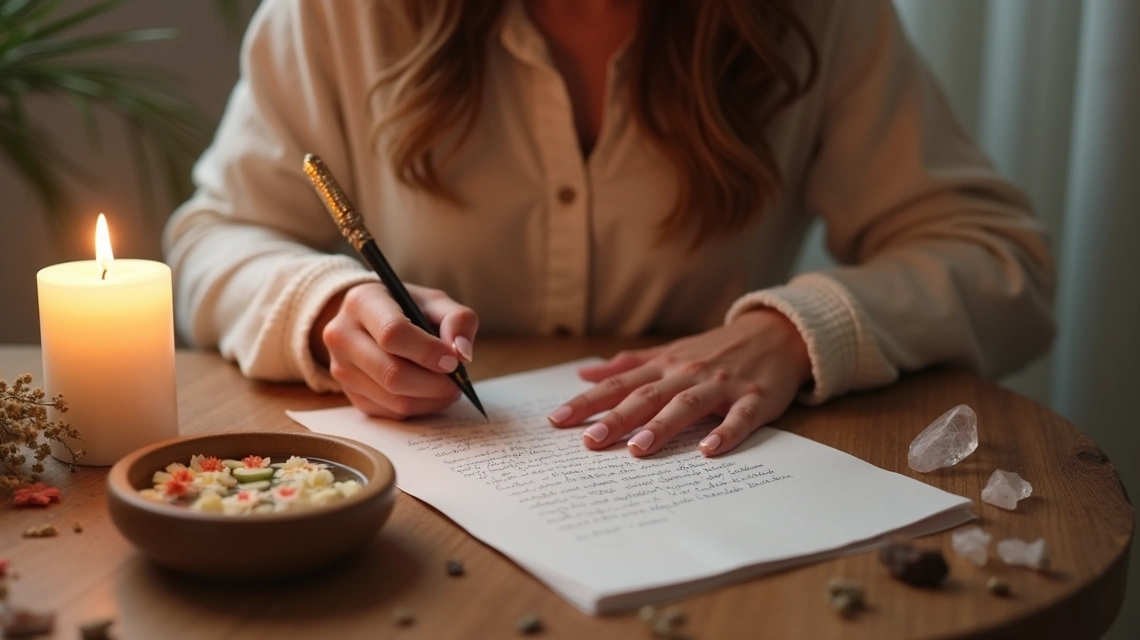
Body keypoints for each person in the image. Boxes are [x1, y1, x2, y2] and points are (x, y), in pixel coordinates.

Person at [164, 0, 1054, 460]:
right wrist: (330, 306)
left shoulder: (817, 17)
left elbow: (1000, 259)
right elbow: (211, 238)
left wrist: (792, 331)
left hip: (704, 484)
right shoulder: (338, 14)